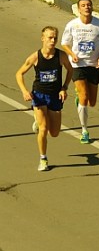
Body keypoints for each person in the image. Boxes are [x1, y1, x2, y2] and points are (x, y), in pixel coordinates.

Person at [16, 26, 73, 171]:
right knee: (43, 128)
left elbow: (70, 70)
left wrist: (64, 87)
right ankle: (43, 159)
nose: (53, 40)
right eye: (50, 38)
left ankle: (39, 121)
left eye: (55, 38)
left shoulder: (61, 56)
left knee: (54, 133)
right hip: (39, 95)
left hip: (55, 96)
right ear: (43, 39)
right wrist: (24, 91)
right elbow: (19, 74)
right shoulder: (35, 57)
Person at [61, 0, 99, 144]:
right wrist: (72, 54)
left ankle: (80, 101)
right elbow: (64, 43)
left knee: (92, 101)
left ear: (92, 8)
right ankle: (84, 130)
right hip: (78, 64)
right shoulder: (72, 25)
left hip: (93, 64)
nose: (86, 7)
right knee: (83, 96)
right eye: (83, 5)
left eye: (89, 5)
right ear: (78, 9)